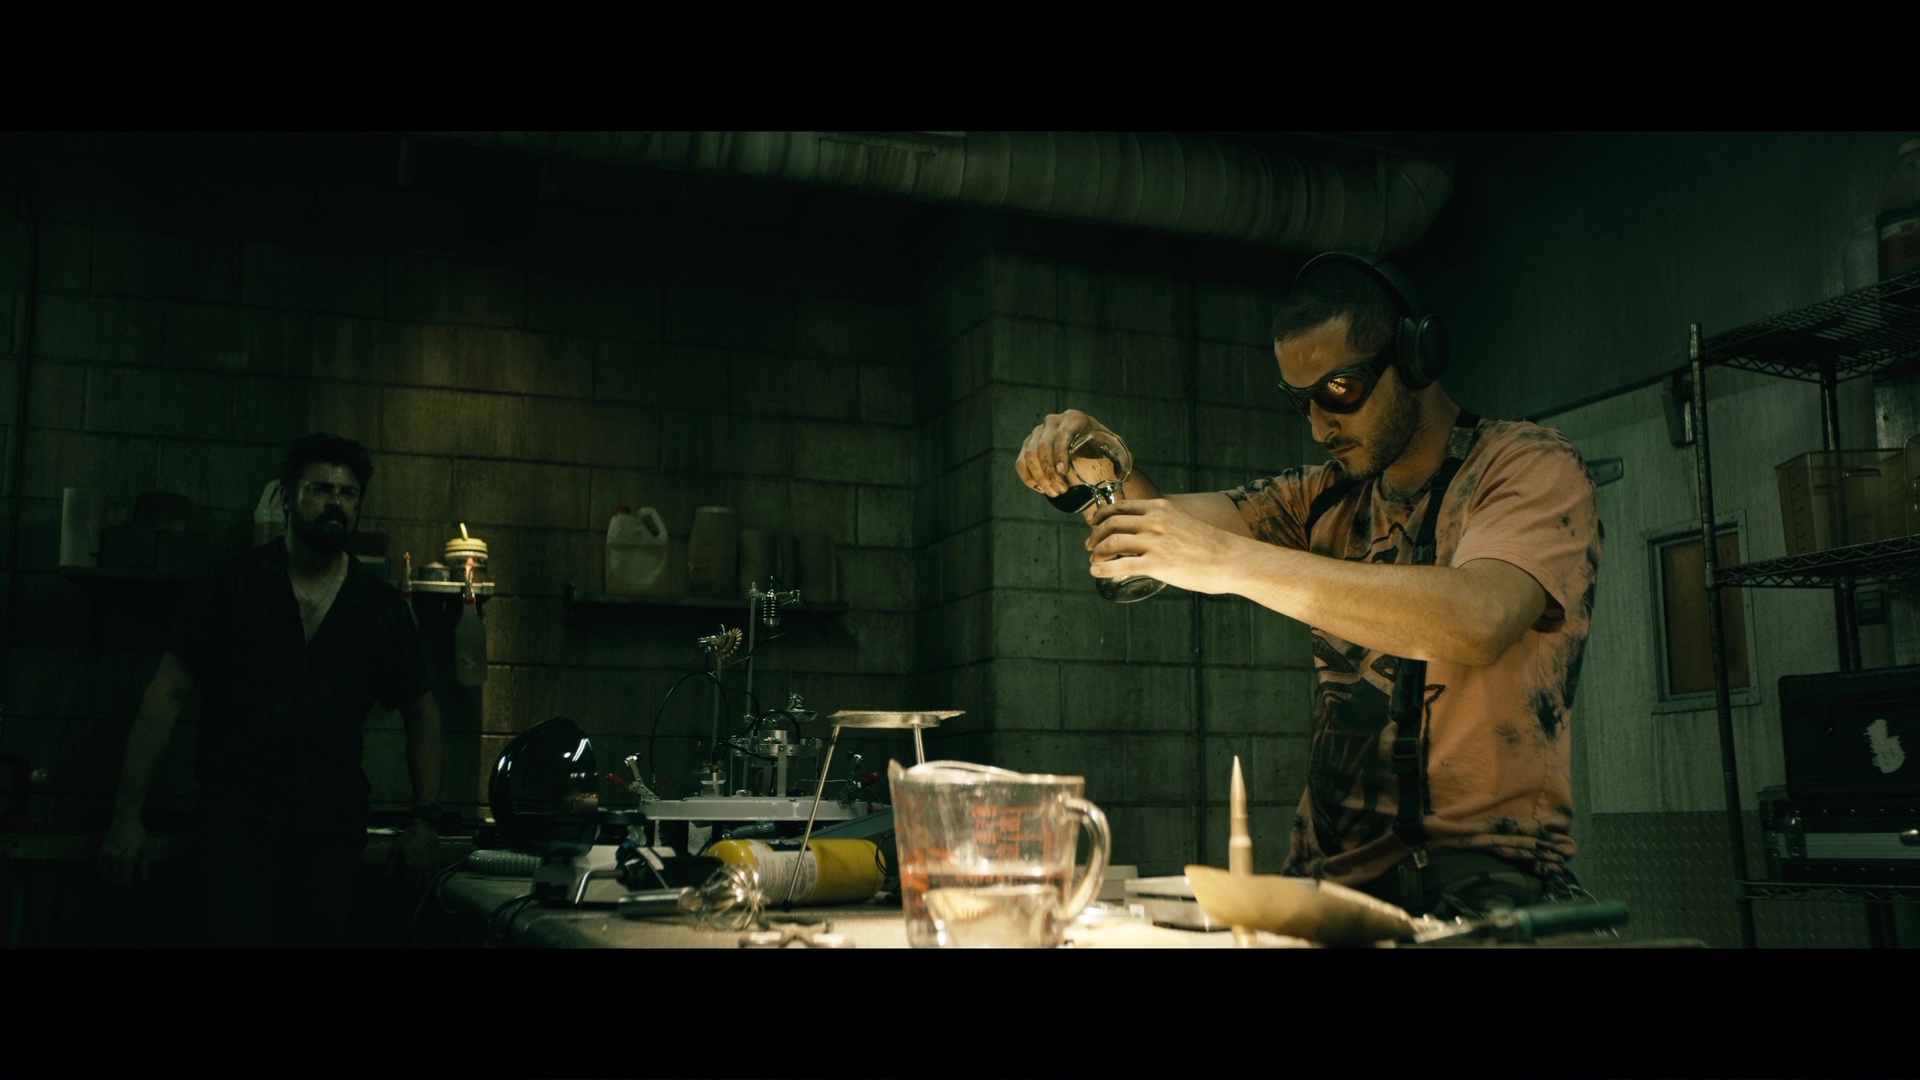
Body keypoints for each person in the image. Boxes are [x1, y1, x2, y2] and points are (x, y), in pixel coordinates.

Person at [1015, 250, 1603, 920]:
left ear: (1416, 357)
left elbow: (1478, 618)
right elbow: (1152, 532)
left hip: (1480, 877)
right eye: (1301, 400)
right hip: (1327, 881)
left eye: (1340, 390)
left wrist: (1228, 562)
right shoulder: (1321, 496)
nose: (1321, 424)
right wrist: (1097, 468)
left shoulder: (1525, 465)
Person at [96, 432, 445, 947]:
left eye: (348, 493)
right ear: (286, 497)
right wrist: (127, 818)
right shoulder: (230, 585)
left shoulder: (378, 608)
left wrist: (424, 821)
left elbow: (423, 714)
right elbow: (165, 696)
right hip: (236, 825)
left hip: (329, 832)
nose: (335, 502)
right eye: (320, 489)